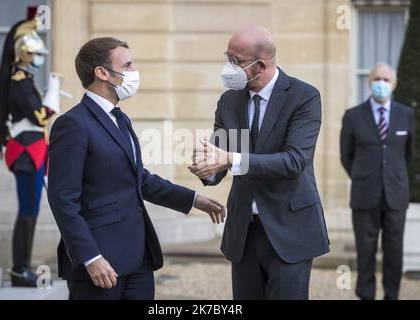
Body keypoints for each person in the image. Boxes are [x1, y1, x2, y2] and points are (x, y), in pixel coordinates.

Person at [47, 37, 226, 300]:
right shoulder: (72, 124)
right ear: (102, 72)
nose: (134, 72)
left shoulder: (120, 118)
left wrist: (193, 199)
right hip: (101, 261)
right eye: (128, 65)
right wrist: (90, 257)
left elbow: (138, 177)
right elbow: (62, 199)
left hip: (138, 256)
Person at [188, 25, 330, 300]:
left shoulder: (304, 96)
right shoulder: (229, 101)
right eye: (227, 57)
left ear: (261, 65)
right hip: (244, 231)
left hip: (290, 229)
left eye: (236, 61)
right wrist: (205, 166)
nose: (228, 67)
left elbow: (294, 161)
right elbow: (220, 157)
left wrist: (230, 159)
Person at [0, 7, 61, 287]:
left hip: (32, 151)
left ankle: (23, 266)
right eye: (33, 55)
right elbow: (40, 116)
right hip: (26, 153)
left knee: (31, 211)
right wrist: (53, 97)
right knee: (27, 212)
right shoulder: (18, 82)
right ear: (23, 53)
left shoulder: (24, 80)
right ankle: (20, 268)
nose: (36, 60)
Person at [340, 62, 415, 300]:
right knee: (365, 251)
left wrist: (393, 175)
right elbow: (346, 155)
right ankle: (366, 294)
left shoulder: (406, 114)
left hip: (396, 194)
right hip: (364, 195)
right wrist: (363, 176)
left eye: (386, 80)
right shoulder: (353, 116)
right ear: (369, 82)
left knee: (394, 251)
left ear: (394, 84)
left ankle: (391, 295)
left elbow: (409, 154)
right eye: (377, 79)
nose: (381, 84)